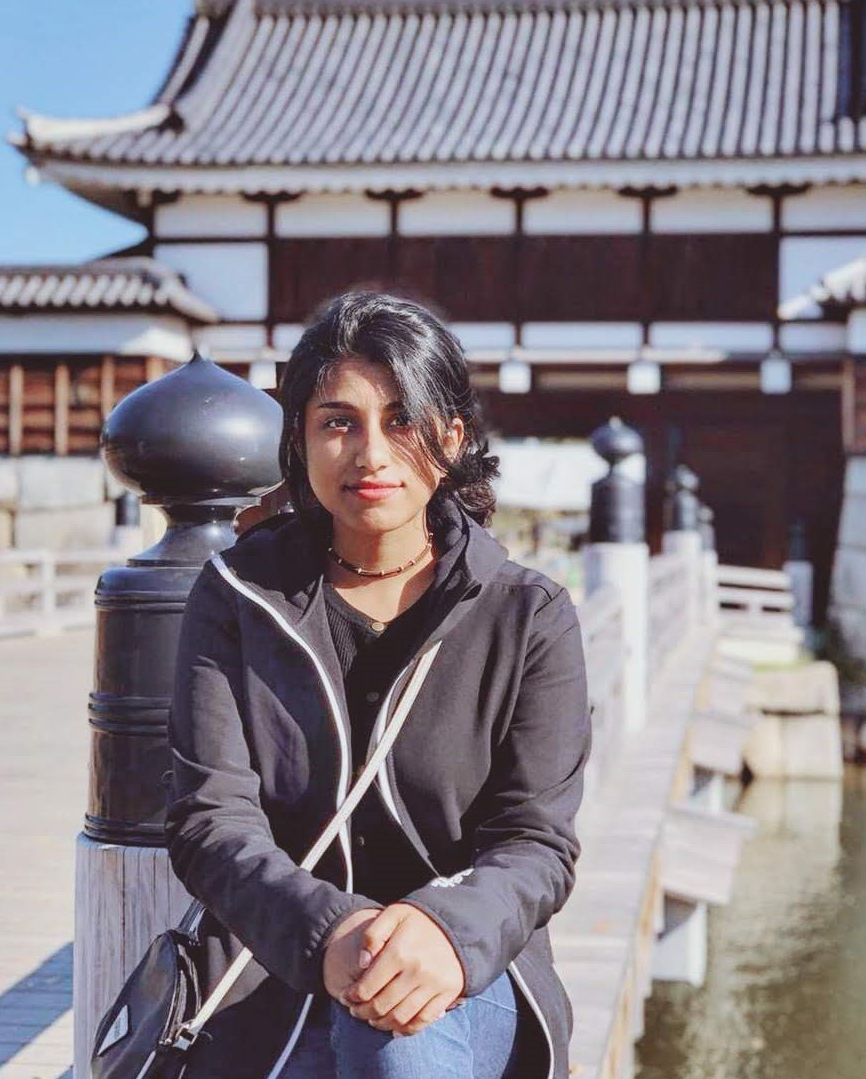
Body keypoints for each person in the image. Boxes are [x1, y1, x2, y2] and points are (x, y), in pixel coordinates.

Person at [164, 291, 592, 1079]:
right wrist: (331, 931)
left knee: (398, 1040)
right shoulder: (235, 595)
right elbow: (208, 819)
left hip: (467, 969)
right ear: (300, 437)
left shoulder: (527, 615)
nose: (371, 453)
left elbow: (537, 842)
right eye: (338, 421)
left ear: (451, 437)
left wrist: (440, 932)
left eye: (401, 419)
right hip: (277, 961)